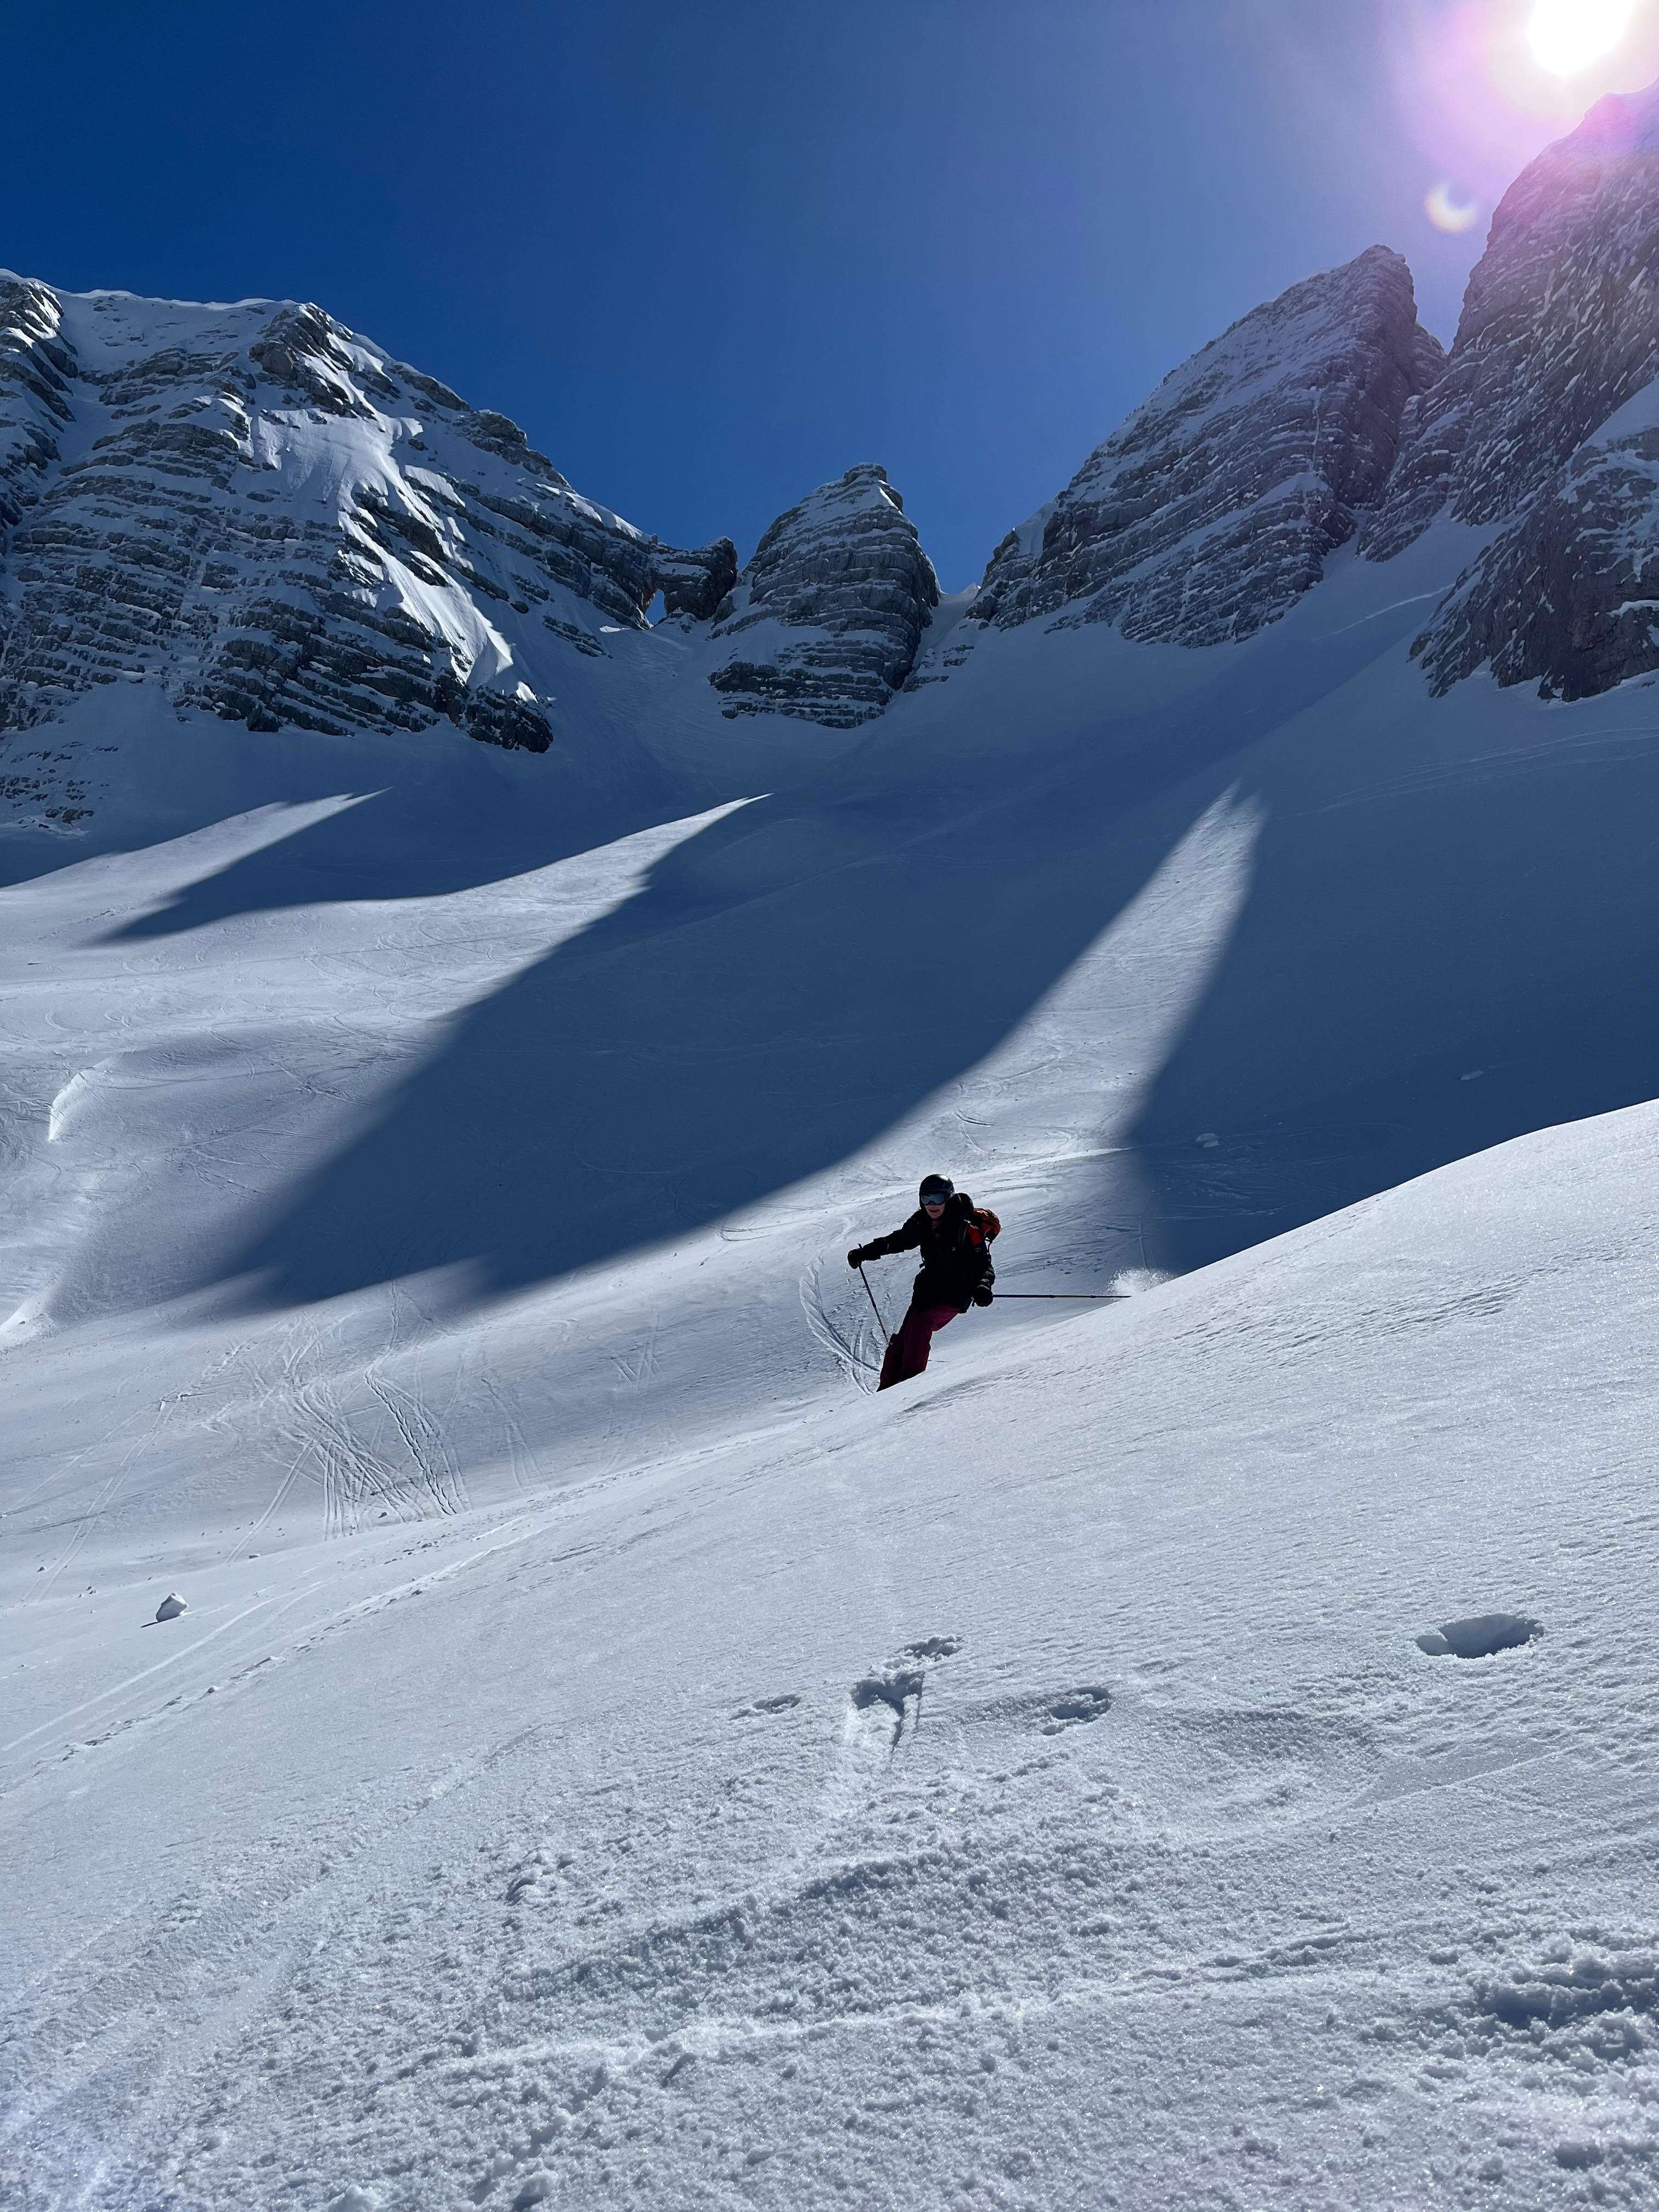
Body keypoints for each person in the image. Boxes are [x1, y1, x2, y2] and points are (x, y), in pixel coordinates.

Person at [848, 1173, 1000, 1390]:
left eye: (937, 1198)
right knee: (903, 1339)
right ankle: (886, 1392)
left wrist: (983, 1286)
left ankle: (908, 1387)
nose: (932, 1205)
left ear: (948, 1198)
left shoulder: (966, 1229)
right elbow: (898, 1240)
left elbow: (984, 1265)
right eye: (926, 1198)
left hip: (956, 1293)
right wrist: (865, 1252)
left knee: (920, 1323)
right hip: (928, 1291)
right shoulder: (922, 1222)